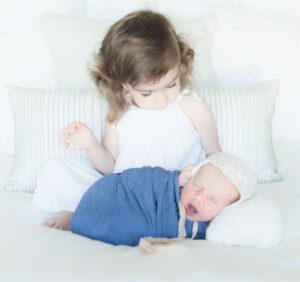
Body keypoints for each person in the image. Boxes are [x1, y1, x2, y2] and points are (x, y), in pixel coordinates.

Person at [32, 10, 221, 229]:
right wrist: (90, 145)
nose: (161, 99)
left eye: (171, 84)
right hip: (127, 198)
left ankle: (91, 218)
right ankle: (84, 215)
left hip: (178, 196)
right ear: (124, 85)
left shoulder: (191, 106)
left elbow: (215, 157)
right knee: (55, 170)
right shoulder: (120, 116)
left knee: (217, 195)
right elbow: (110, 169)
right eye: (147, 93)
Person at [70, 153, 256, 246]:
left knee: (128, 228)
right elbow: (139, 180)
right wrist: (174, 181)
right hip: (123, 194)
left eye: (212, 200)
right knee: (99, 218)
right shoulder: (170, 184)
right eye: (197, 186)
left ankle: (76, 219)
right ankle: (73, 216)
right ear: (189, 177)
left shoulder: (213, 228)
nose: (198, 198)